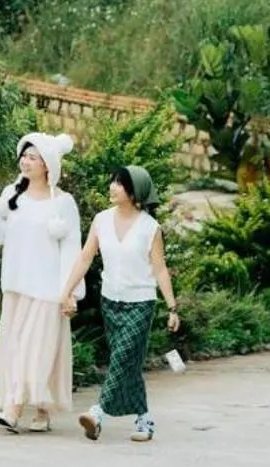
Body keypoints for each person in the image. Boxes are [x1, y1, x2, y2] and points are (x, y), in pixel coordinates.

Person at [58, 164, 181, 443]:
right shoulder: (101, 220)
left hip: (141, 303)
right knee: (129, 363)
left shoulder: (150, 227)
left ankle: (97, 413)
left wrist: (172, 307)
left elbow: (160, 269)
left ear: (135, 192)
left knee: (121, 358)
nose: (112, 187)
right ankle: (144, 419)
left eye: (120, 183)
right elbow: (85, 258)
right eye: (112, 181)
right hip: (111, 302)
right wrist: (66, 291)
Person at [0, 132, 82, 433]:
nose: (26, 161)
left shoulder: (63, 203)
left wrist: (70, 292)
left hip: (48, 289)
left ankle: (13, 409)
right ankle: (40, 409)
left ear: (48, 164)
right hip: (17, 284)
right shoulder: (13, 194)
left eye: (33, 157)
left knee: (36, 349)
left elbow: (71, 248)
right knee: (17, 347)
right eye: (24, 155)